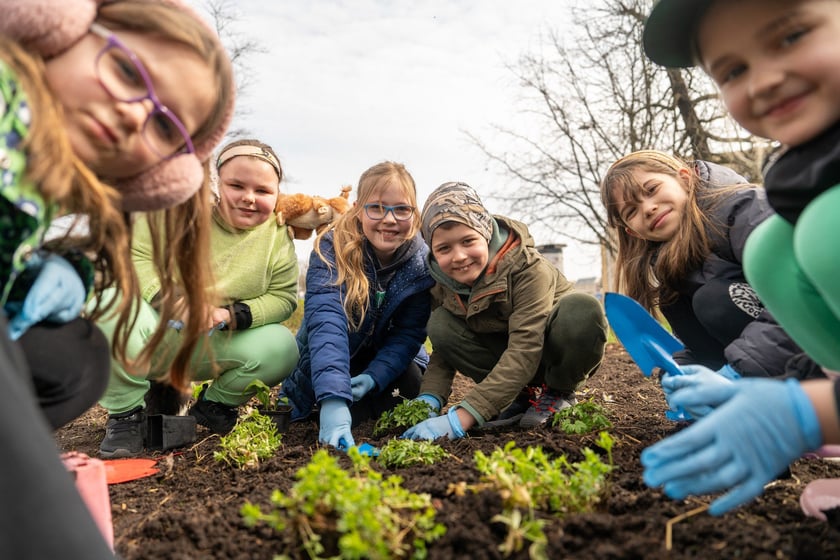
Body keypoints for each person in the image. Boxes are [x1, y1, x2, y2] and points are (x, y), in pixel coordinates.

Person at [638, 0, 840, 516]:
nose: (764, 80)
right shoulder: (803, 181)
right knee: (776, 252)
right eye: (732, 71)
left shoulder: (753, 212)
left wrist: (803, 411)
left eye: (791, 36)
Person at [0, 0, 234, 430]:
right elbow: (137, 266)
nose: (135, 112)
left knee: (79, 360)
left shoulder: (56, 188)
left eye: (164, 127)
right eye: (127, 71)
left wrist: (66, 271)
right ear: (62, 22)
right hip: (151, 315)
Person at [97, 139, 300, 457]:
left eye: (262, 191)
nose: (249, 198)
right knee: (107, 304)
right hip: (159, 335)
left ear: (277, 195)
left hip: (215, 342)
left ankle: (214, 406)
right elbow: (136, 255)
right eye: (236, 185)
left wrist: (228, 314)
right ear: (218, 183)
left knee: (283, 347)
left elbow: (283, 297)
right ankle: (125, 416)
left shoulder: (277, 235)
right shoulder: (179, 210)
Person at [401, 182, 607, 441]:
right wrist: (429, 397)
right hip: (509, 358)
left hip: (549, 351)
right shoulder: (442, 281)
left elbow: (526, 347)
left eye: (468, 241)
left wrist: (464, 416)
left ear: (486, 233)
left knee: (582, 310)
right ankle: (520, 396)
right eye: (444, 248)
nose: (459, 256)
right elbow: (443, 351)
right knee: (440, 324)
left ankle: (558, 393)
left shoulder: (529, 269)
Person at [600, 151, 817, 394]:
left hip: (818, 341)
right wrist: (682, 373)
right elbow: (699, 345)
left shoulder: (743, 211)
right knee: (675, 302)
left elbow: (801, 299)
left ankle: (804, 390)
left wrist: (737, 372)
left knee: (713, 300)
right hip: (760, 360)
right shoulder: (669, 263)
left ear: (685, 178)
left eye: (651, 189)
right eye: (631, 211)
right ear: (633, 232)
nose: (648, 208)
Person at [279, 161, 434, 450]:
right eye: (377, 208)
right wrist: (333, 400)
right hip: (330, 355)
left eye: (401, 209)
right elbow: (327, 324)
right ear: (358, 209)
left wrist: (375, 377)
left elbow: (408, 333)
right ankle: (330, 401)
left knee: (409, 388)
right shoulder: (331, 248)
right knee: (333, 409)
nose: (389, 219)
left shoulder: (420, 264)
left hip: (380, 360)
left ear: (414, 214)